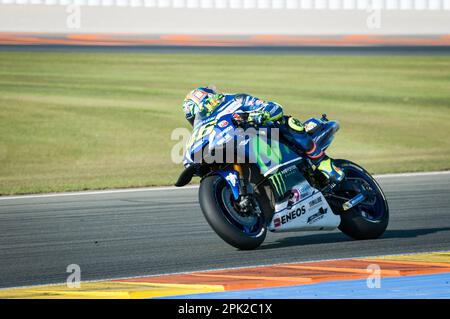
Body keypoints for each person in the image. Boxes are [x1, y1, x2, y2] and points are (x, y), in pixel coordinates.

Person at [182, 86, 344, 183]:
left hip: (266, 134)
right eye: (193, 119)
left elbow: (273, 107)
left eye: (196, 114)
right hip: (243, 148)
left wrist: (259, 114)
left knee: (288, 122)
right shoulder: (204, 129)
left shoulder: (235, 100)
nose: (196, 119)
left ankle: (323, 163)